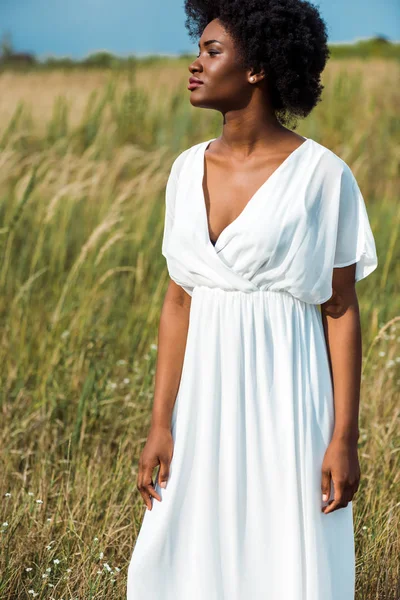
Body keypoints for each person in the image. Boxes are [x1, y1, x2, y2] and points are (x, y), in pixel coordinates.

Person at [127, 2, 378, 599]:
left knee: (284, 559)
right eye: (200, 49)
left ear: (258, 68)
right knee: (177, 554)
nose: (194, 64)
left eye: (212, 52)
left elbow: (339, 309)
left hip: (288, 403)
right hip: (203, 404)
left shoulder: (323, 176)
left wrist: (344, 436)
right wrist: (160, 422)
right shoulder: (184, 171)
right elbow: (178, 302)